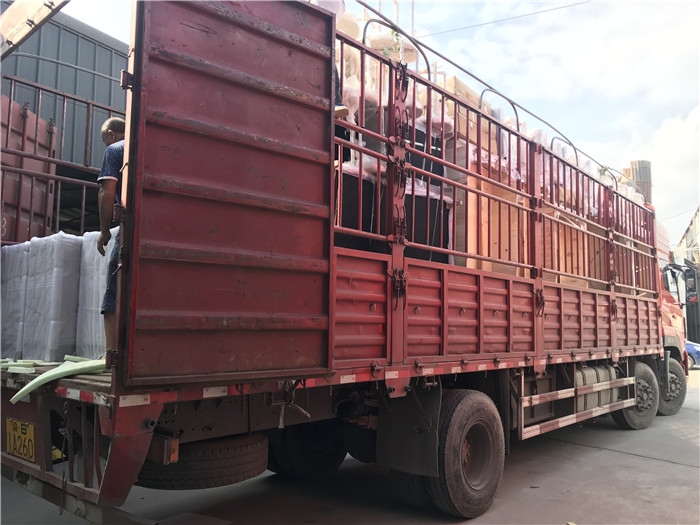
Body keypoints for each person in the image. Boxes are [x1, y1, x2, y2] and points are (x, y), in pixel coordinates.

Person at [96, 117, 125, 353]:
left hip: (132, 225)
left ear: (111, 134)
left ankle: (111, 355)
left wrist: (104, 231)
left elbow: (106, 193)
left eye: (104, 139)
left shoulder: (115, 150)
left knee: (114, 289)